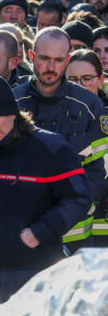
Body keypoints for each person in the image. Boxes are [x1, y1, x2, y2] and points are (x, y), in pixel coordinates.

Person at [0, 73, 90, 309]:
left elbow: (78, 197)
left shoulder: (51, 148)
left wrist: (39, 232)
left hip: (31, 269)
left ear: (12, 113)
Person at [14, 28, 108, 248]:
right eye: (44, 58)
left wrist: (63, 214)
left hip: (74, 233)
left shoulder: (90, 106)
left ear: (67, 60)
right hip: (22, 231)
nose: (50, 67)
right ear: (31, 56)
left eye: (58, 60)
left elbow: (99, 173)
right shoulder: (13, 102)